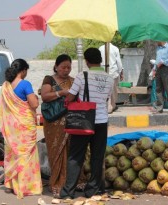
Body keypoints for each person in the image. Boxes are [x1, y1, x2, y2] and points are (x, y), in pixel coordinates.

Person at [59, 48, 114, 199]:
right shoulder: (109, 78)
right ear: (100, 60)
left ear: (87, 61)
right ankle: (94, 190)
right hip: (101, 121)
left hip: (83, 122)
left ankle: (68, 192)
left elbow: (69, 98)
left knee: (76, 156)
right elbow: (107, 99)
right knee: (97, 156)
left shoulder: (82, 76)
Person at [0, 59, 42, 199]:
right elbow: (33, 104)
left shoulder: (6, 86)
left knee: (13, 153)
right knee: (26, 155)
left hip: (12, 128)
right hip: (24, 125)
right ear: (23, 71)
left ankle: (10, 185)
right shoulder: (25, 84)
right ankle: (25, 186)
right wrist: (37, 99)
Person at [40, 54, 74, 197]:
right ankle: (56, 183)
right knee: (55, 152)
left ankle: (70, 182)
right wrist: (61, 93)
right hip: (53, 123)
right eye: (63, 67)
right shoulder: (49, 79)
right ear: (56, 66)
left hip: (71, 122)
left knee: (71, 152)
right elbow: (45, 96)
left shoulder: (74, 81)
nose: (66, 70)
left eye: (69, 67)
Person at [99, 43, 123, 114]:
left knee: (105, 90)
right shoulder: (115, 48)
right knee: (113, 90)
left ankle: (107, 106)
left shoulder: (100, 48)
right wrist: (121, 72)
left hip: (103, 72)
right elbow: (119, 62)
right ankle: (112, 106)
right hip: (113, 73)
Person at [153, 41, 168, 115]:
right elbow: (157, 60)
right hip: (158, 69)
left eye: (157, 40)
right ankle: (159, 108)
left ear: (161, 39)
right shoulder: (158, 49)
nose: (156, 42)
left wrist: (163, 62)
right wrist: (154, 70)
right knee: (158, 89)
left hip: (166, 69)